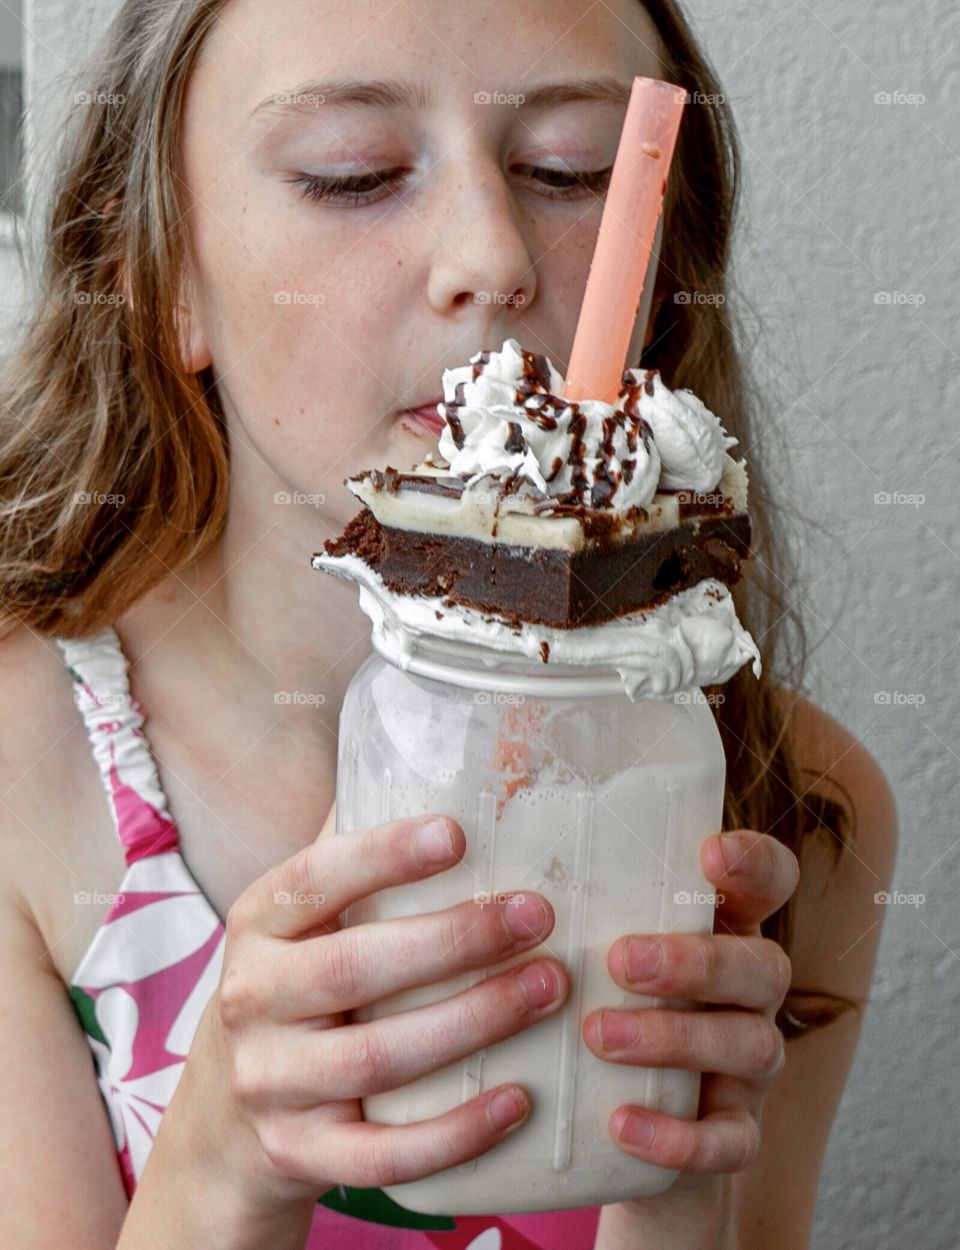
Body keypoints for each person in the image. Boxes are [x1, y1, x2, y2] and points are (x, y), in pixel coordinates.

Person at [0, 0, 898, 1247]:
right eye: (351, 175)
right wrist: (219, 1165)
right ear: (161, 280)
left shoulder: (793, 802)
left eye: (570, 170)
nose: (494, 255)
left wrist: (679, 1194)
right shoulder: (20, 772)